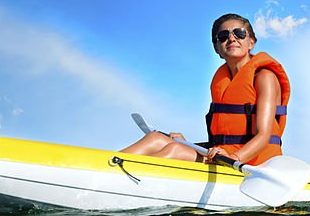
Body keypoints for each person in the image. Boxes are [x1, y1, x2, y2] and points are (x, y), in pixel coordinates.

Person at [121, 13, 290, 165]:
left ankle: (123, 176)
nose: (231, 39)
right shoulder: (223, 83)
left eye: (239, 33)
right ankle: (107, 166)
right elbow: (223, 142)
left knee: (175, 151)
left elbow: (263, 136)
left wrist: (235, 158)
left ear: (251, 42)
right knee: (156, 138)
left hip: (253, 162)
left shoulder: (264, 77)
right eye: (223, 36)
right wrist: (188, 144)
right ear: (217, 48)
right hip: (223, 154)